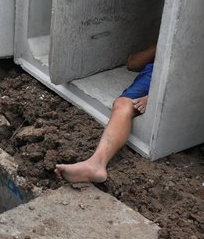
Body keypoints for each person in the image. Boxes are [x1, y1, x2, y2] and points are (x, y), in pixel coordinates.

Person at [54, 44, 156, 183]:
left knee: (129, 104)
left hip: (176, 81)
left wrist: (155, 98)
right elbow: (132, 64)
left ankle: (95, 164)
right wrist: (161, 46)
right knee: (122, 104)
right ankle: (96, 164)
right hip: (155, 72)